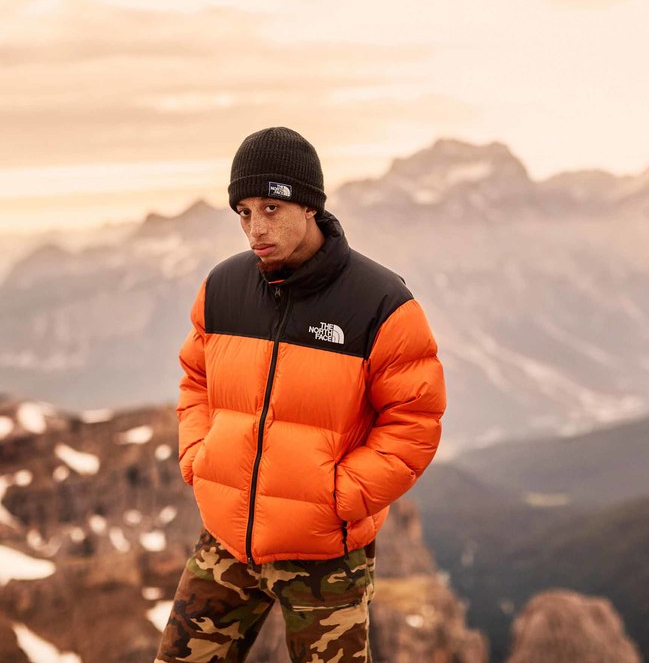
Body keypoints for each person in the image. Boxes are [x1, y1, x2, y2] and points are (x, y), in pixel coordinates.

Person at [155, 126, 446, 663]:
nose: (255, 229)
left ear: (310, 204)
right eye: (244, 212)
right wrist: (199, 455)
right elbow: (196, 380)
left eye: (271, 207)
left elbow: (415, 421)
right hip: (226, 540)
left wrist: (339, 496)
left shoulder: (381, 303)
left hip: (324, 555)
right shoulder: (222, 288)